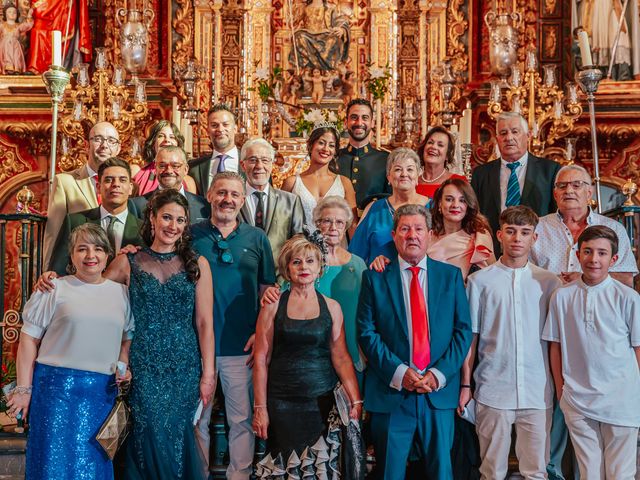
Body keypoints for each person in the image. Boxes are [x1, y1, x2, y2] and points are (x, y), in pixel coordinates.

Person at [7, 223, 133, 479]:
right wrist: (23, 389)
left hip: (101, 394)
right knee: (51, 463)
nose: (90, 256)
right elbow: (28, 339)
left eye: (98, 249)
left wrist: (123, 364)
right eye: (82, 249)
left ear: (108, 254)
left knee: (93, 466)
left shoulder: (121, 293)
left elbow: (126, 336)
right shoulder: (54, 288)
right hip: (56, 392)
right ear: (72, 255)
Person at [357, 204, 472, 480]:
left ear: (430, 234)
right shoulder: (375, 277)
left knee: (441, 472)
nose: (412, 235)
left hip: (438, 393)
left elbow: (463, 332)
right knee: (390, 473)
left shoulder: (450, 276)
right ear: (394, 235)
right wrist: (400, 372)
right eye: (405, 229)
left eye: (419, 229)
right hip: (392, 391)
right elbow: (366, 332)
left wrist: (438, 374)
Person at [106, 189, 215, 479]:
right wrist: (53, 280)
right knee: (148, 433)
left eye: (180, 220)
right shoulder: (128, 261)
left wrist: (208, 374)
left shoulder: (198, 265)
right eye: (167, 217)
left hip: (184, 367)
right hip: (143, 365)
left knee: (178, 435)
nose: (173, 226)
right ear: (152, 218)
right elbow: (92, 294)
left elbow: (205, 323)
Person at [463, 206, 561, 479]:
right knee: (491, 470)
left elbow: (556, 343)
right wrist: (466, 384)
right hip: (493, 388)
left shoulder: (549, 283)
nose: (517, 238)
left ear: (534, 238)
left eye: (525, 232)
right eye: (511, 231)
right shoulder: (479, 282)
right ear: (499, 235)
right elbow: (471, 337)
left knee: (537, 471)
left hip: (537, 390)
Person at [192, 172, 276, 479]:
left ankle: (239, 474)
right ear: (210, 195)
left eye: (234, 195)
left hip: (241, 344)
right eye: (222, 192)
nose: (228, 199)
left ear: (243, 200)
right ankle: (198, 474)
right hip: (196, 345)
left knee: (240, 419)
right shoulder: (191, 235)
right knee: (196, 420)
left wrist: (261, 333)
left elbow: (268, 290)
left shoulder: (257, 238)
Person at [252, 233, 362, 466]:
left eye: (310, 261)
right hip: (281, 403)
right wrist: (260, 408)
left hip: (321, 403)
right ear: (287, 268)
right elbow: (261, 359)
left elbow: (341, 357)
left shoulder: (332, 307)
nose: (304, 267)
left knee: (320, 468)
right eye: (297, 261)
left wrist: (356, 400)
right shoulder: (272, 306)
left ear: (319, 266)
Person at [542, 225, 640, 479]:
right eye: (587, 251)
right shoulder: (561, 296)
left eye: (601, 253)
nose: (593, 259)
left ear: (614, 259)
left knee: (621, 473)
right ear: (577, 254)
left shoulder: (628, 297)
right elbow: (556, 345)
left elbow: (638, 348)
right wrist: (562, 390)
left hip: (621, 400)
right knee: (589, 473)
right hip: (577, 399)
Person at [262, 196, 367, 378]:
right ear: (317, 224)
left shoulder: (358, 265)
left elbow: (369, 310)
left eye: (340, 222)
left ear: (346, 226)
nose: (333, 227)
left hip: (351, 349)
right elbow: (284, 298)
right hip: (310, 353)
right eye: (327, 221)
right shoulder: (306, 264)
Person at [531, 164, 638, 288]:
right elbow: (520, 273)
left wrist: (586, 278)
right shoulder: (536, 227)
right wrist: (551, 280)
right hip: (547, 304)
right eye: (562, 186)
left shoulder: (613, 228)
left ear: (589, 193)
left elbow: (626, 280)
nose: (568, 190)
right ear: (555, 194)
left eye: (577, 185)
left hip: (597, 305)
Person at [471, 112, 561, 253]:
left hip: (538, 250)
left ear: (528, 136)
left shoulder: (550, 171)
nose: (509, 138)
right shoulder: (481, 173)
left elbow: (556, 214)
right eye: (503, 133)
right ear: (497, 139)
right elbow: (475, 216)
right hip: (493, 251)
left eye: (515, 132)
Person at [43, 121, 121, 268]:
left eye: (111, 141)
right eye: (98, 139)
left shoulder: (126, 185)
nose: (105, 145)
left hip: (116, 272)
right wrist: (48, 271)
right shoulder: (65, 182)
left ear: (118, 148)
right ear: (86, 145)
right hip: (78, 271)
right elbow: (53, 234)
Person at [48, 157, 144, 275]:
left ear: (130, 188)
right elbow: (58, 268)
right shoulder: (75, 221)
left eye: (122, 180)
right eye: (109, 180)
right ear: (98, 187)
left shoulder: (143, 228)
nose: (116, 185)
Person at [348, 147, 429, 265]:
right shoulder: (374, 209)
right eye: (397, 169)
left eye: (410, 169)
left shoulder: (432, 208)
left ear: (418, 176)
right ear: (388, 177)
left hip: (420, 280)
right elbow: (355, 257)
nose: (404, 174)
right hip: (380, 280)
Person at [238, 138, 304, 278]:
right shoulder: (233, 200)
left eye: (265, 160)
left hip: (279, 281)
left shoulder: (290, 201)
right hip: (239, 279)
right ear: (243, 165)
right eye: (253, 160)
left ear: (272, 164)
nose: (259, 166)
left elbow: (298, 244)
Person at [282, 124, 357, 230]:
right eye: (321, 143)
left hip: (336, 245)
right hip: (302, 245)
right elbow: (282, 223)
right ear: (310, 145)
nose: (326, 149)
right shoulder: (291, 183)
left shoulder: (344, 183)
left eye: (331, 145)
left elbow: (352, 225)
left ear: (335, 151)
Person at [427, 178, 495, 280]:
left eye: (462, 200)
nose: (455, 205)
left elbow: (494, 273)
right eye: (449, 199)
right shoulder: (426, 236)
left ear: (468, 205)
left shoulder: (480, 236)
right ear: (440, 204)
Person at [129, 146, 211, 224]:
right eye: (162, 166)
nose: (168, 170)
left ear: (186, 169)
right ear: (155, 168)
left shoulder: (203, 205)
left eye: (175, 166)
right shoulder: (137, 206)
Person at [337, 99, 390, 210]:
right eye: (354, 117)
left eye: (365, 118)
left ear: (372, 123)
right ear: (346, 122)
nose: (359, 123)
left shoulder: (386, 160)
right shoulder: (333, 158)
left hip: (373, 224)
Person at [131, 119, 198, 195]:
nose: (167, 140)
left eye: (172, 137)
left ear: (178, 144)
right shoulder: (136, 172)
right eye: (161, 136)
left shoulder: (188, 181)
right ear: (153, 143)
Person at [189, 104, 240, 195]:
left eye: (225, 124)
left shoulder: (250, 163)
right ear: (208, 130)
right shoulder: (194, 167)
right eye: (214, 125)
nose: (220, 129)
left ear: (235, 129)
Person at [27, 0, 91, 73]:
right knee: (37, 30)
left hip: (62, 7)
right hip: (46, 6)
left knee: (56, 34)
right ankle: (35, 66)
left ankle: (56, 67)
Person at [289, 0, 350, 71]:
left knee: (335, 38)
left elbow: (340, 20)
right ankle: (307, 66)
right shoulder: (304, 7)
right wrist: (293, 7)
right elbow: (293, 22)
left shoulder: (331, 7)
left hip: (325, 36)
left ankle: (330, 66)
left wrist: (342, 29)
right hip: (308, 35)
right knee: (298, 36)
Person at [415, 126, 466, 200]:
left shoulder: (459, 182)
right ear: (423, 149)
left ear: (447, 156)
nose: (433, 147)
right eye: (430, 142)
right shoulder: (412, 182)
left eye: (440, 145)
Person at [0, 5, 33, 74]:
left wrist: (29, 15)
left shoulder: (18, 26)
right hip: (4, 46)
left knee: (16, 55)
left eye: (14, 12)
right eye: (9, 12)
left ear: (17, 15)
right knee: (7, 46)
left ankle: (16, 69)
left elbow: (28, 25)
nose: (12, 14)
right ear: (5, 14)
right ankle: (8, 68)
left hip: (15, 45)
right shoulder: (2, 25)